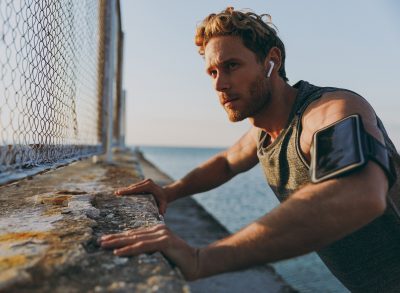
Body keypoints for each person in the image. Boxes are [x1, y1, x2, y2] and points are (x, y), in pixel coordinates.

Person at [99, 7, 400, 292]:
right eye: (212, 73)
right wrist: (170, 192)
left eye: (231, 66)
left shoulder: (328, 111)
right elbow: (227, 163)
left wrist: (201, 259)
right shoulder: (263, 132)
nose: (219, 85)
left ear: (272, 60)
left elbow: (359, 193)